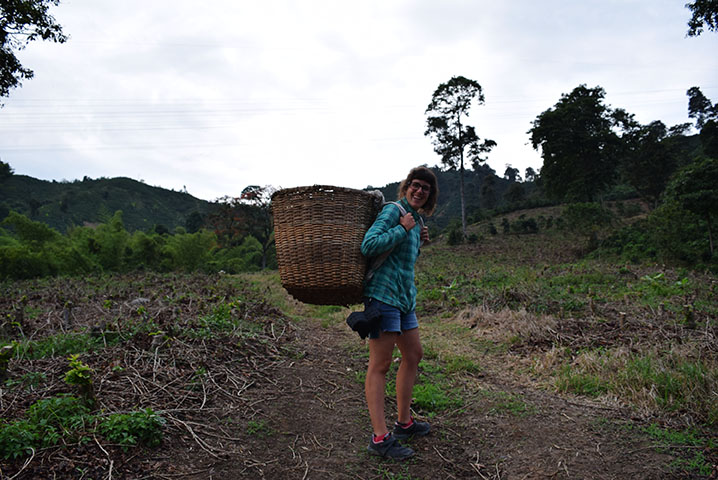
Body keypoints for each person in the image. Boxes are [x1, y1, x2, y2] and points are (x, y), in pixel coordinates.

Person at [360, 166, 439, 460]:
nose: (419, 191)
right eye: (415, 185)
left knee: (413, 354)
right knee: (380, 364)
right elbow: (368, 245)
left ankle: (404, 423)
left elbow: (402, 260)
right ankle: (380, 438)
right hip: (383, 297)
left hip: (404, 300)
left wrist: (416, 236)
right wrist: (402, 228)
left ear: (430, 195)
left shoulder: (416, 221)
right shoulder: (394, 211)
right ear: (406, 187)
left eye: (425, 188)